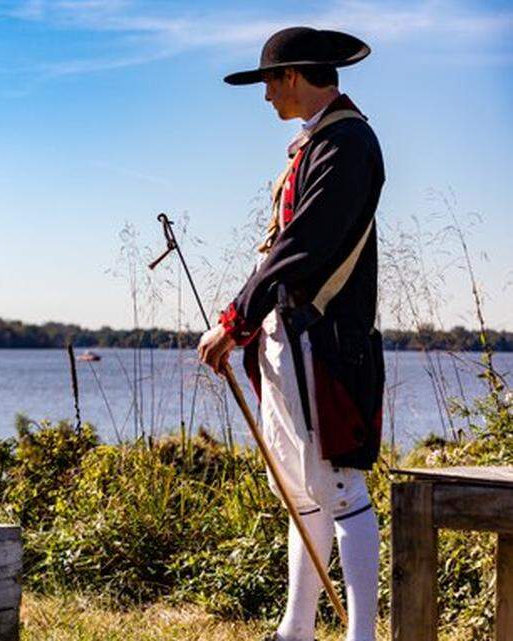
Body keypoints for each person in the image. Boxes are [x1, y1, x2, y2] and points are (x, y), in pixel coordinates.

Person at [197, 26, 385, 641]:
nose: (266, 97)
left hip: (327, 338)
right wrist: (246, 318)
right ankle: (295, 631)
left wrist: (235, 319)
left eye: (269, 82)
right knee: (304, 492)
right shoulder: (321, 143)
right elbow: (282, 248)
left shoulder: (349, 143)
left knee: (340, 487)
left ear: (294, 77)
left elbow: (306, 245)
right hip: (296, 334)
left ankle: (361, 636)